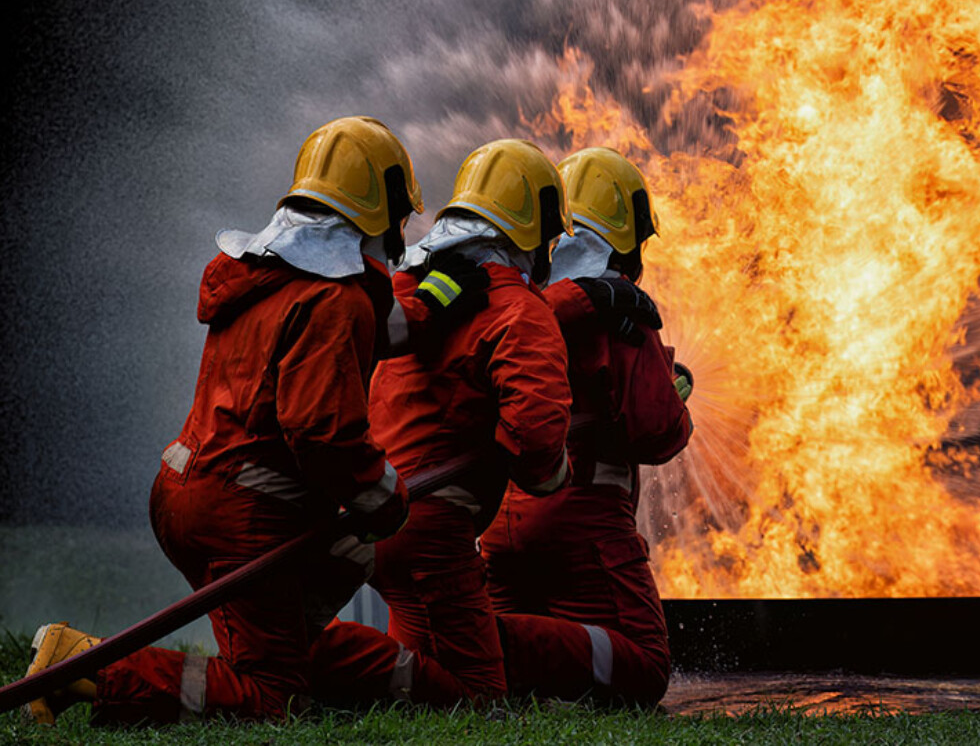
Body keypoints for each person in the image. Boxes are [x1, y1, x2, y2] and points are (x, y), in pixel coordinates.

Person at [21, 116, 473, 725]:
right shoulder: (333, 300)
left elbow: (385, 322)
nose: (400, 236)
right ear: (380, 207)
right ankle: (87, 668)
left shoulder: (271, 275)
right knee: (272, 697)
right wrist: (382, 490)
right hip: (245, 514)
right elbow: (320, 431)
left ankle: (292, 646)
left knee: (317, 602)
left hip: (188, 490)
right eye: (400, 218)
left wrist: (444, 288)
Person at [308, 138, 575, 707]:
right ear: (534, 231)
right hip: (433, 531)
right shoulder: (522, 312)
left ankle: (299, 662)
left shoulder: (410, 291)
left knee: (422, 680)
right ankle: (299, 659)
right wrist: (555, 471)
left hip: (376, 515)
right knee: (480, 699)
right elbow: (536, 440)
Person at [480, 146, 694, 707]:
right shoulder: (621, 311)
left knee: (520, 666)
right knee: (644, 664)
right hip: (583, 521)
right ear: (626, 240)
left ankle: (481, 642)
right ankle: (491, 641)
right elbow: (656, 432)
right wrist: (671, 395)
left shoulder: (521, 300)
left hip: (503, 519)